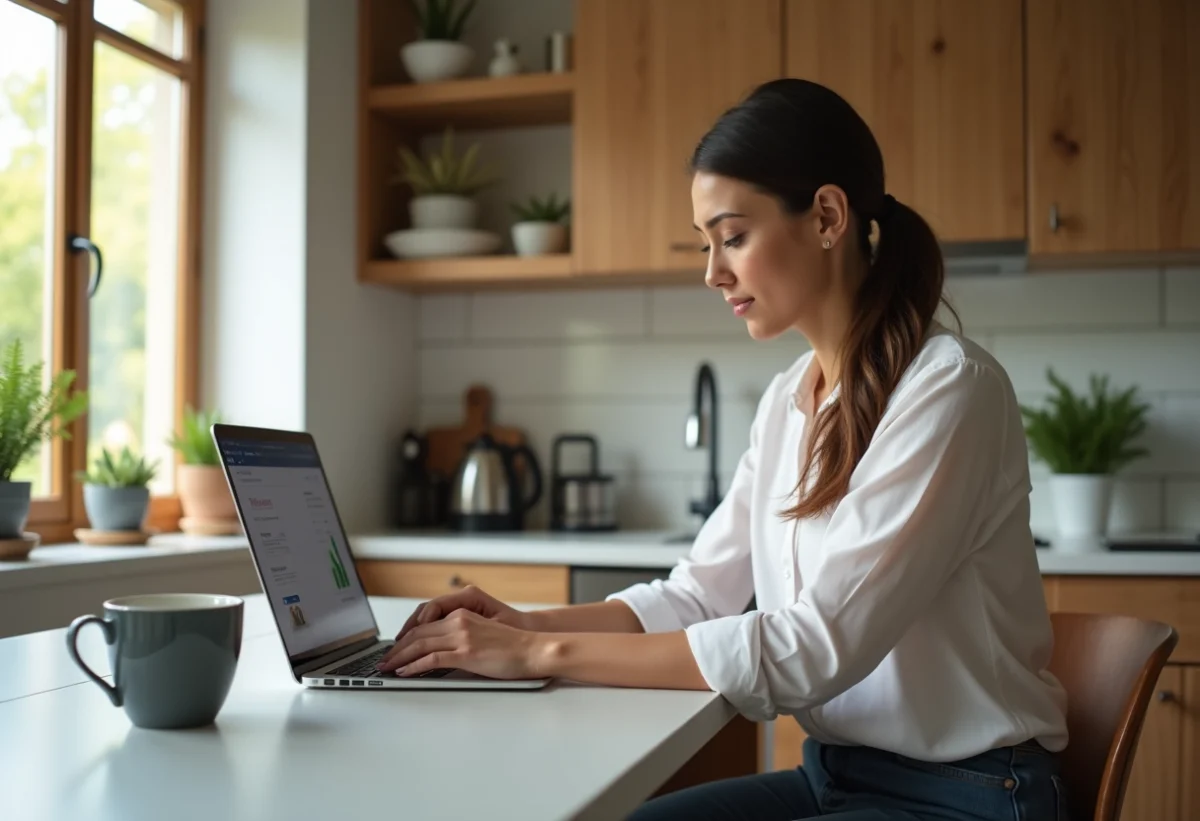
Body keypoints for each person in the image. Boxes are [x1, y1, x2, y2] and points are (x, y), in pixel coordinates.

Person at [377, 78, 1070, 821]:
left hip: (971, 794)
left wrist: (536, 657)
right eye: (706, 243)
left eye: (733, 236)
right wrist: (523, 623)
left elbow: (812, 647)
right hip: (836, 775)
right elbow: (695, 595)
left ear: (828, 216)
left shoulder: (949, 389)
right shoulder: (786, 403)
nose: (713, 272)